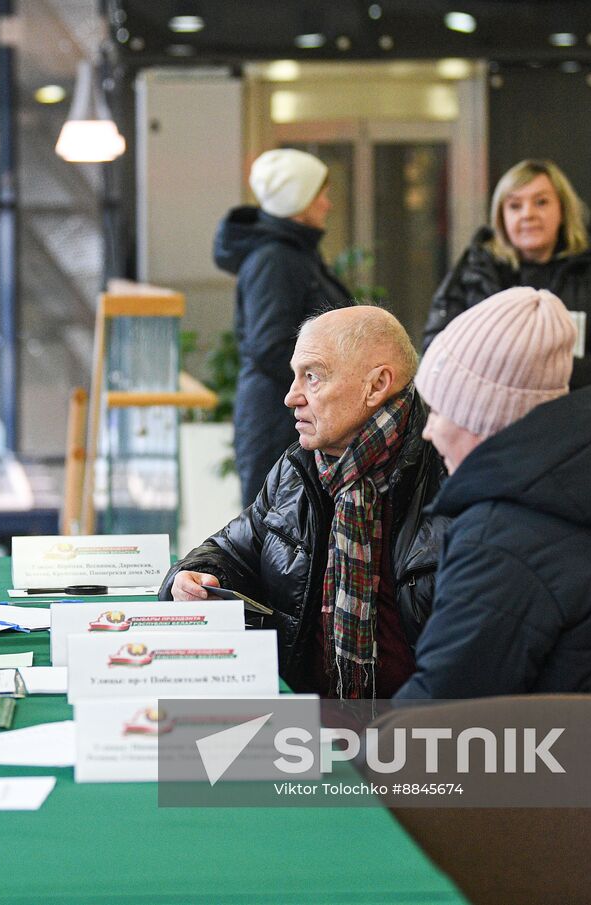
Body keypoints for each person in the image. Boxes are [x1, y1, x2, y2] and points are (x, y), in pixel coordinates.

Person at [398, 286, 591, 699]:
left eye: (440, 411)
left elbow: (440, 711)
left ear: (482, 416)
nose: (429, 431)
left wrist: (350, 757)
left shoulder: (497, 542)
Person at [162, 307, 445, 699]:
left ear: (377, 385)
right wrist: (197, 576)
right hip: (307, 723)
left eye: (312, 377)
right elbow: (230, 551)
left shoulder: (447, 472)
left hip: (428, 733)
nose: (290, 397)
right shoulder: (299, 469)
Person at [422, 158, 591, 393]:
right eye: (515, 206)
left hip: (573, 416)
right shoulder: (474, 270)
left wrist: (561, 372)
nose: (528, 214)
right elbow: (438, 347)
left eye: (541, 202)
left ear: (563, 210)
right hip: (485, 421)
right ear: (501, 216)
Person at [215, 148, 355, 506]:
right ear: (300, 200)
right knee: (278, 534)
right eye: (321, 194)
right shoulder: (274, 260)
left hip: (292, 418)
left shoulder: (294, 254)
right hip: (280, 425)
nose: (328, 204)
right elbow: (271, 346)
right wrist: (330, 385)